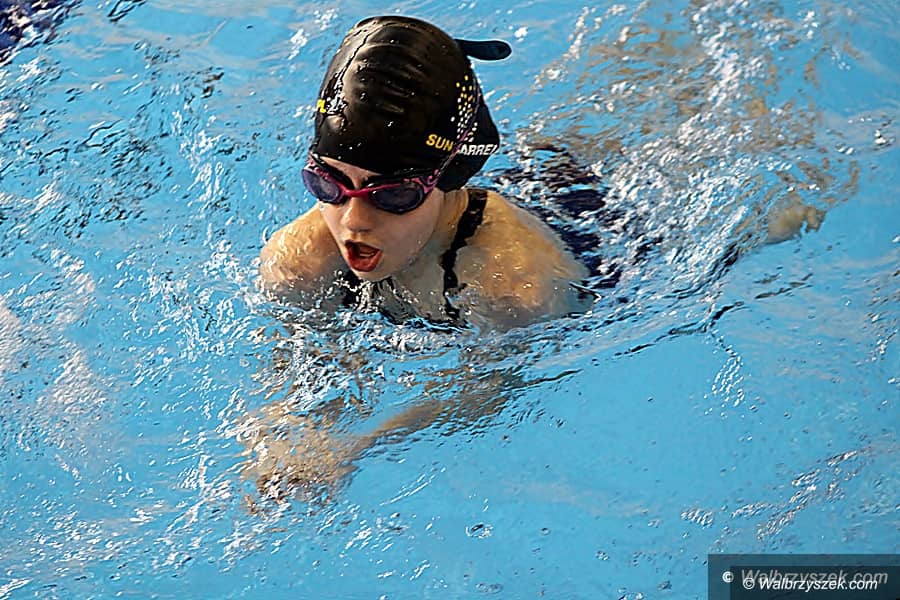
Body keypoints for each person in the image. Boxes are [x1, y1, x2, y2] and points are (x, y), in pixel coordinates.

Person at [259, 15, 589, 329]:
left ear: (450, 175)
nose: (353, 220)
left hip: (577, 215)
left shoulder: (514, 288)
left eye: (392, 194)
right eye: (327, 184)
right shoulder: (298, 264)